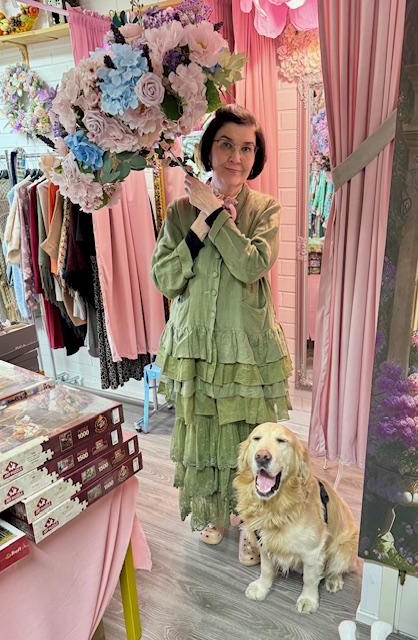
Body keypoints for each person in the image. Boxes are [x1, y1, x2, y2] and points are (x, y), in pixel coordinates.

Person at [151, 104, 292, 565]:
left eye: (247, 148)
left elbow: (251, 265)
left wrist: (217, 213)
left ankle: (252, 522)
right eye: (227, 145)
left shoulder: (265, 209)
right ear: (208, 149)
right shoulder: (178, 211)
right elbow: (165, 278)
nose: (236, 157)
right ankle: (214, 513)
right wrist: (200, 222)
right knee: (204, 430)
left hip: (245, 344)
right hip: (194, 343)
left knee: (248, 438)